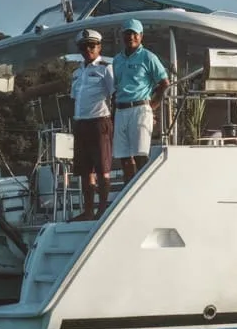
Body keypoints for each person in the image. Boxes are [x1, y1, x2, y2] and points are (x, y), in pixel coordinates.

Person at [112, 18, 170, 183]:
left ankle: (144, 191)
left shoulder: (148, 57)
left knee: (140, 156)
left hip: (140, 109)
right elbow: (116, 88)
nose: (131, 37)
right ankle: (128, 190)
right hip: (120, 110)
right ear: (122, 36)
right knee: (124, 157)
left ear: (141, 36)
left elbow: (164, 83)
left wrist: (153, 105)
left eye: (134, 33)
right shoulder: (117, 60)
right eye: (127, 33)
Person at [70, 28, 115, 221]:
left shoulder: (106, 68)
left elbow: (114, 94)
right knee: (85, 171)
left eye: (91, 45)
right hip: (81, 123)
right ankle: (88, 211)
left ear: (99, 47)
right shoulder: (76, 72)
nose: (88, 49)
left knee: (103, 169)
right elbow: (74, 98)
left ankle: (102, 210)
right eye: (83, 47)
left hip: (99, 122)